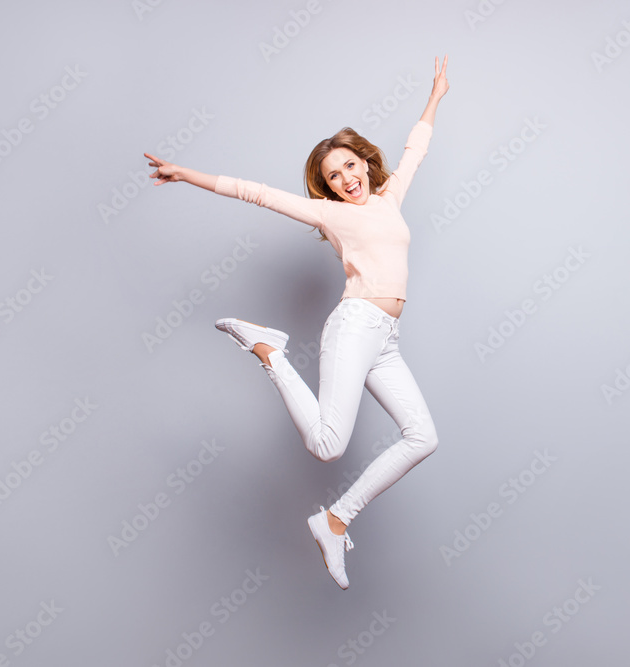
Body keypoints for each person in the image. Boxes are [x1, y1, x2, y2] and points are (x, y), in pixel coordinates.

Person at [144, 55, 449, 589]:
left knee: (422, 436)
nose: (346, 179)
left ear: (364, 163)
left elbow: (414, 151)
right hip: (356, 324)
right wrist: (185, 173)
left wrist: (434, 98)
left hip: (385, 338)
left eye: (350, 166)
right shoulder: (332, 214)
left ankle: (335, 520)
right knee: (328, 445)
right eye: (334, 176)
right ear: (327, 189)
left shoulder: (388, 199)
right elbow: (255, 192)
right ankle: (270, 351)